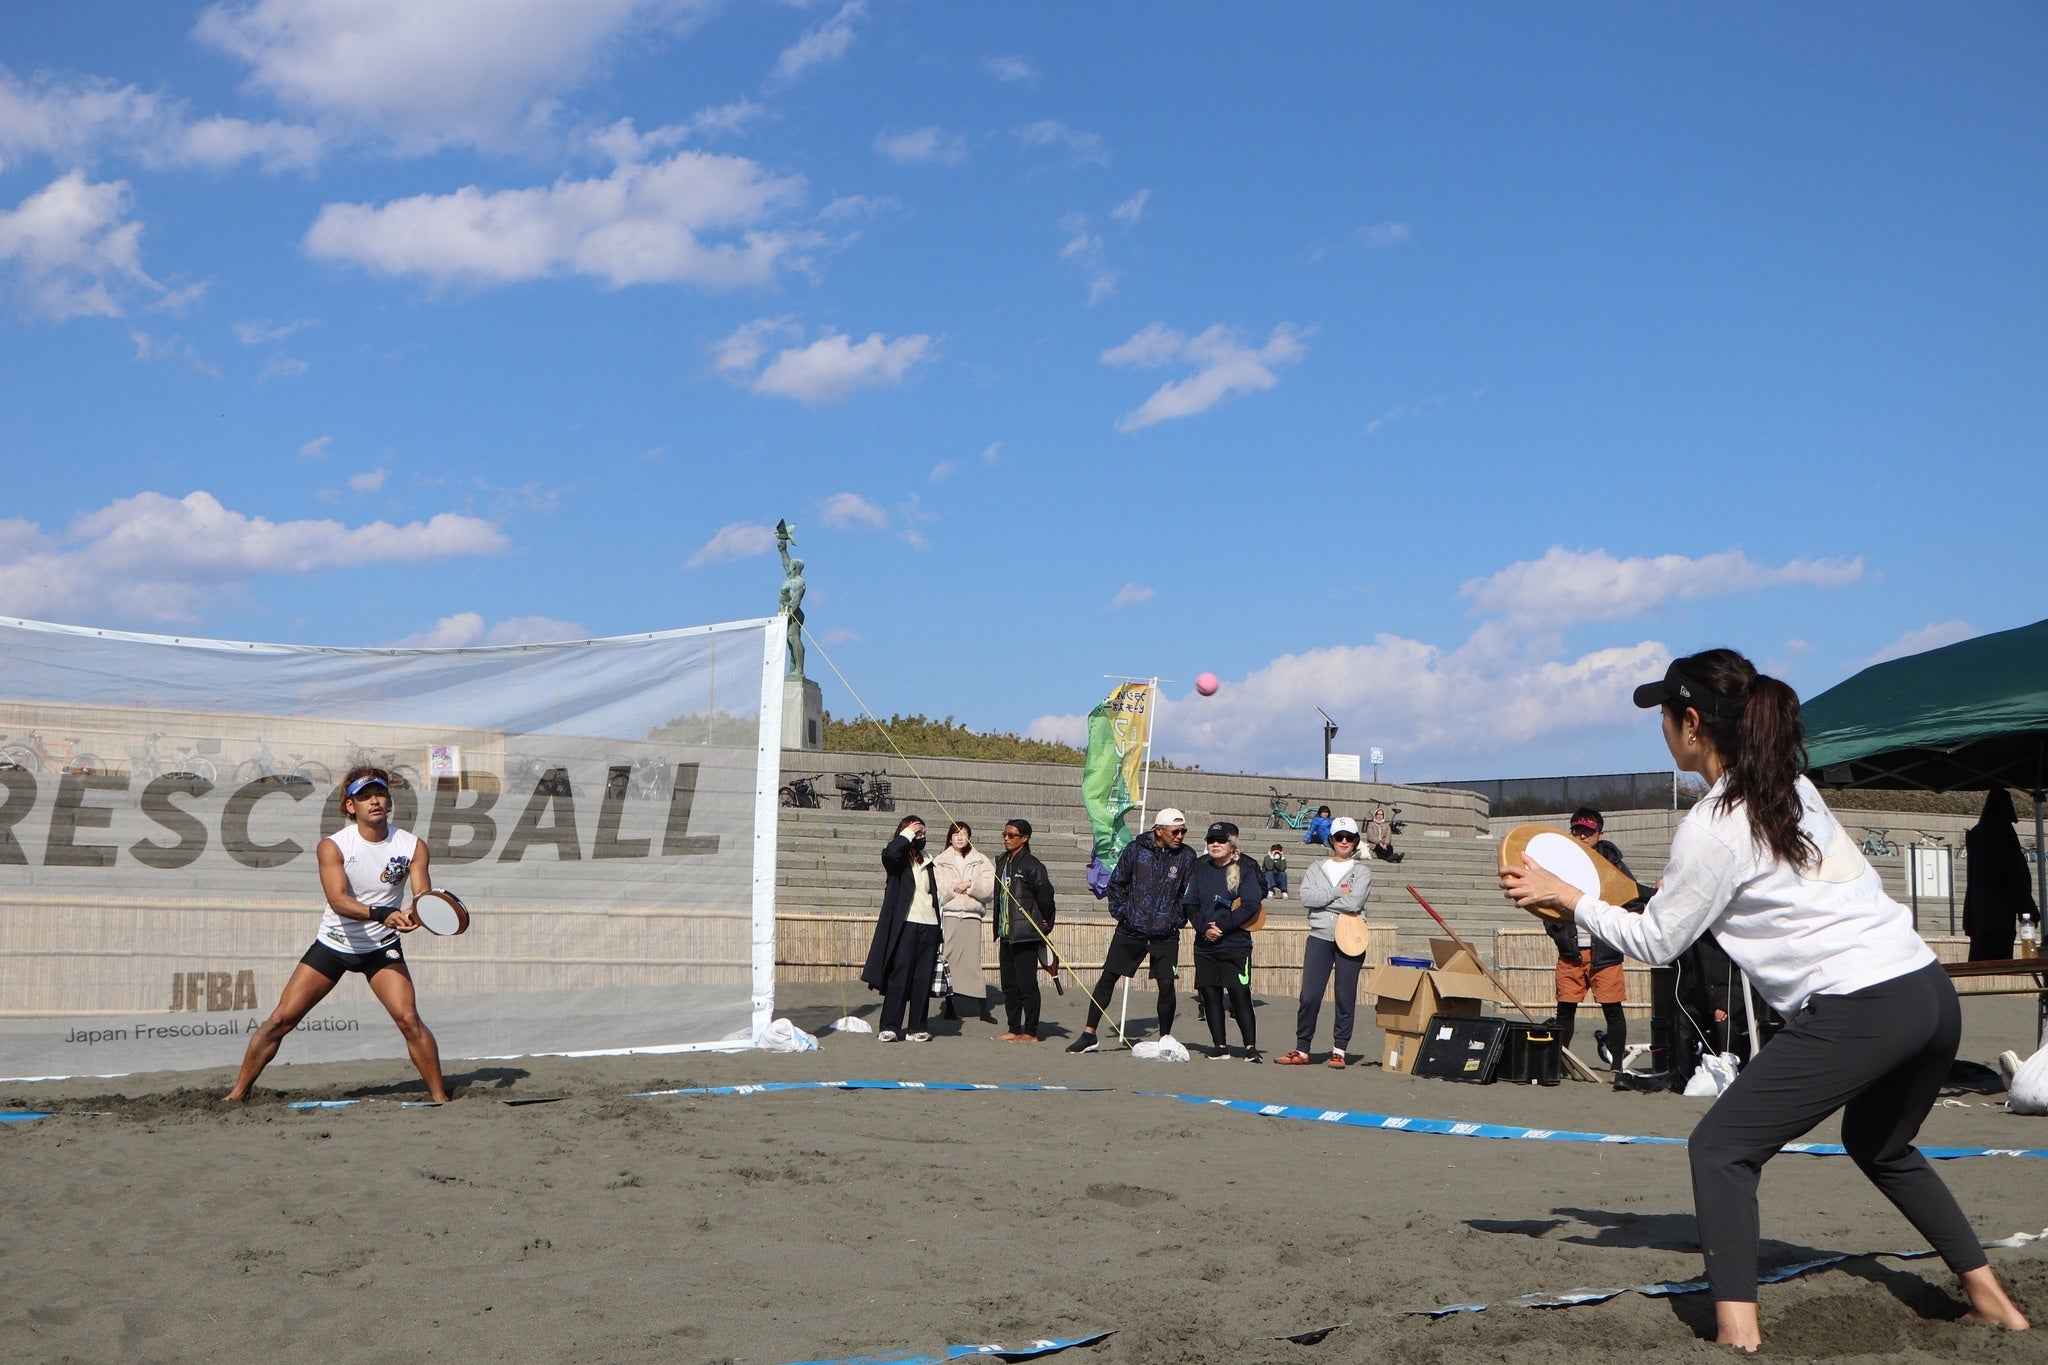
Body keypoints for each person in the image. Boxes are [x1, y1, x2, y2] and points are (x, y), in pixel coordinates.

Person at [1502, 649, 2029, 1349]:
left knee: (1719, 1150)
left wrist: (1571, 898)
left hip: (1861, 1005)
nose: (1661, 726)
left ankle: (1737, 1334)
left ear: (1692, 723)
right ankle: (1993, 1300)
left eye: (1665, 714)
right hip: (1927, 990)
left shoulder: (1712, 824)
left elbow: (1658, 941)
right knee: (1880, 1143)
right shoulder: (1793, 787)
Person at [224, 767, 448, 1103]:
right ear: (349, 806)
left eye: (380, 793)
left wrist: (415, 914)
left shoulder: (412, 846)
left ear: (389, 801)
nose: (375, 800)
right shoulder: (333, 846)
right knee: (280, 1020)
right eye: (364, 796)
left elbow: (421, 896)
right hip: (334, 944)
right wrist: (382, 913)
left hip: (381, 947)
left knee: (410, 1021)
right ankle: (237, 1094)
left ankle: (441, 1100)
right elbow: (339, 901)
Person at [1067, 809, 1197, 1053]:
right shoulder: (1135, 850)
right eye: (1175, 831)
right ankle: (1089, 1034)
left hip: (1165, 932)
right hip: (1132, 929)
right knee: (1108, 978)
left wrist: (1176, 919)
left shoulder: (1187, 856)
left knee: (1166, 984)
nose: (1180, 836)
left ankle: (1165, 1038)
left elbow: (1187, 893)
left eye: (1183, 831)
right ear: (1158, 830)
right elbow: (1117, 883)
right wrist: (1123, 914)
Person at [1546, 807, 1638, 1085]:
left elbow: (1634, 901)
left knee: (1613, 1010)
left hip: (1605, 952)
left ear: (1600, 833)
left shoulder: (1614, 865)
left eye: (1588, 831)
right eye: (1577, 830)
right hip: (1571, 951)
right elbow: (1545, 902)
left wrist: (1616, 932)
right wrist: (1558, 932)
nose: (1582, 835)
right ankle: (1561, 1063)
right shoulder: (1560, 864)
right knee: (1565, 1009)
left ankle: (1618, 1066)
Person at [1277, 816, 1370, 1067]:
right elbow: (1306, 898)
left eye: (1349, 837)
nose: (1344, 841)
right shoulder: (1316, 867)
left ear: (1355, 841)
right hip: (1320, 935)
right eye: (1339, 837)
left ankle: (1339, 1050)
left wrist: (1323, 900)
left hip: (1351, 937)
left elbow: (1355, 903)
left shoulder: (1362, 871)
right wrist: (1338, 892)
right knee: (1309, 995)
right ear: (1331, 839)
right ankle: (1302, 1049)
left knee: (1345, 996)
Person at [1184, 821, 1265, 1061]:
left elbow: (1251, 904)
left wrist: (1223, 926)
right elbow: (1190, 904)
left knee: (1240, 996)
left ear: (1232, 845)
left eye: (1221, 840)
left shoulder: (1245, 869)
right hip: (1205, 945)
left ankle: (1250, 1048)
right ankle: (1220, 1046)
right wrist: (1203, 928)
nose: (1215, 844)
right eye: (1211, 840)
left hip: (1235, 944)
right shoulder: (1200, 870)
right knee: (1210, 996)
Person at [861, 814, 941, 1042]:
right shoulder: (896, 860)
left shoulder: (928, 859)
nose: (920, 836)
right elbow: (890, 853)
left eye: (923, 832)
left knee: (922, 977)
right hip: (906, 923)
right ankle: (890, 1026)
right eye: (917, 832)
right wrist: (908, 834)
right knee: (900, 974)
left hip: (930, 923)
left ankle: (917, 1027)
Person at [992, 818, 1057, 1042]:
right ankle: (1013, 1027)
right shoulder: (1002, 861)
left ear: (1025, 838)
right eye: (1005, 834)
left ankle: (1030, 1031)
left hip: (1025, 934)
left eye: (1012, 835)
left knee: (1026, 984)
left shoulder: (1033, 865)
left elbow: (1046, 896)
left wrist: (1045, 923)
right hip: (1005, 932)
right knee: (1009, 985)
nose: (1007, 838)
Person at [932, 821, 996, 1024]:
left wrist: (970, 885)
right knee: (948, 959)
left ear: (970, 837)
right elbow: (937, 887)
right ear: (950, 838)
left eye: (964, 833)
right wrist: (954, 888)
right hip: (950, 914)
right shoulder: (940, 861)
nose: (960, 837)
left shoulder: (980, 860)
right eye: (956, 834)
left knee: (973, 961)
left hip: (972, 915)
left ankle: (983, 1008)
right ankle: (950, 1006)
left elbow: (990, 887)